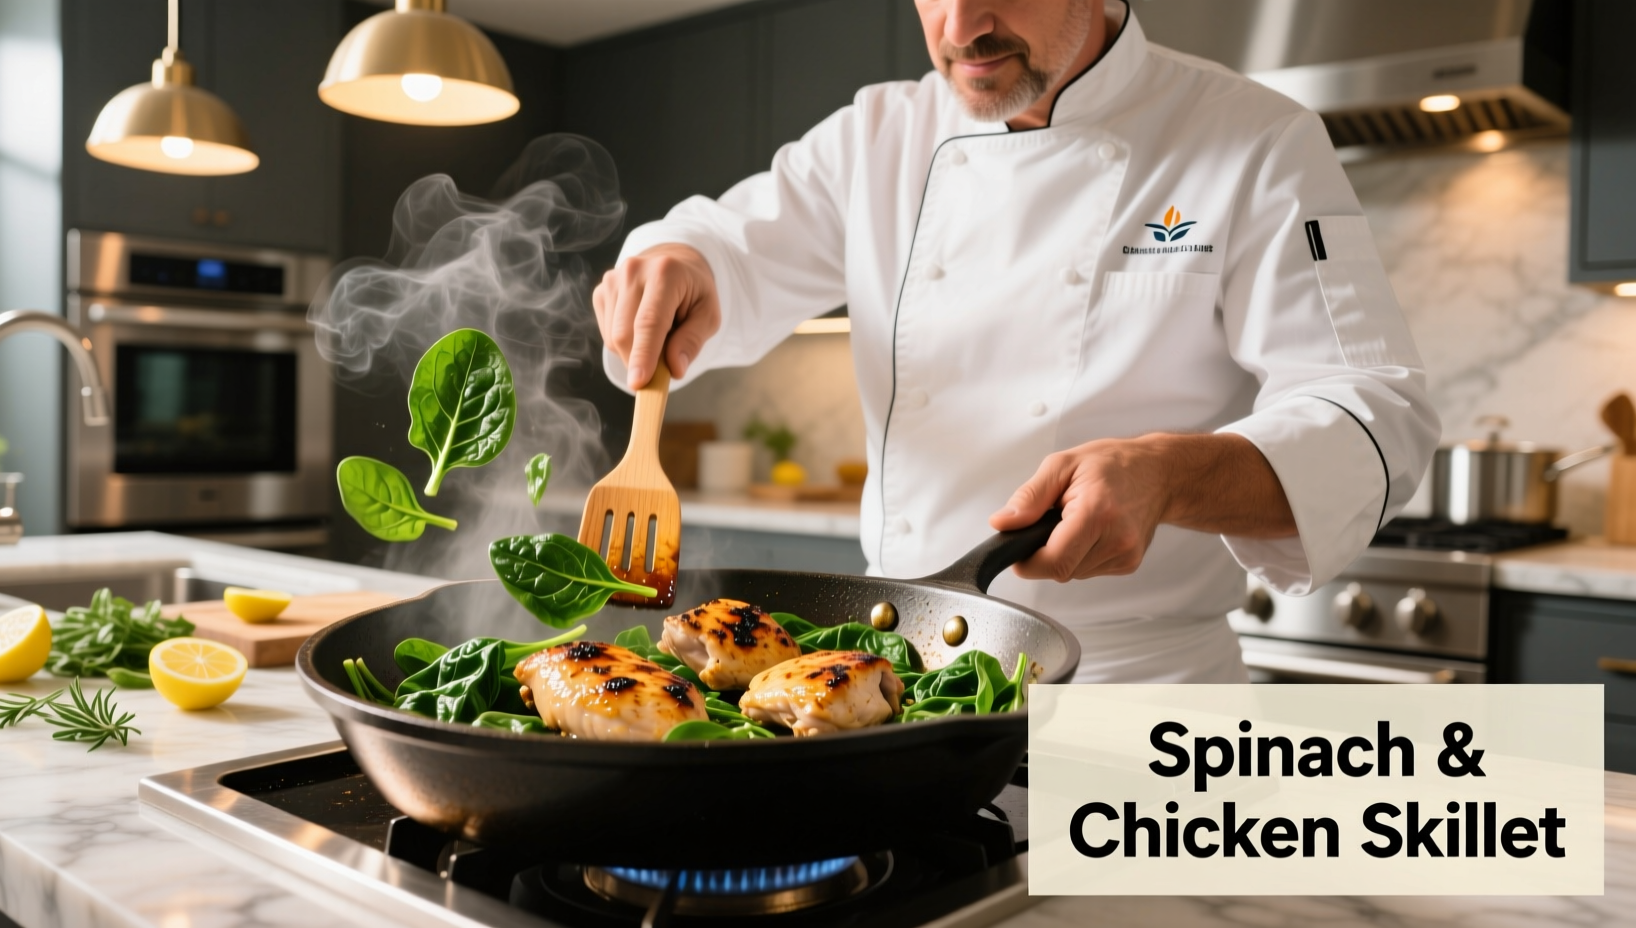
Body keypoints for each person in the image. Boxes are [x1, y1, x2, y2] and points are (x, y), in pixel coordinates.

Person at [591, 0, 1440, 682]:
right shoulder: (877, 138)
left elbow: (1374, 410)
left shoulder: (1258, 140)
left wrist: (1168, 476)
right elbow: (726, 246)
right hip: (897, 686)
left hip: (1136, 703)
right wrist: (676, 261)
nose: (961, 27)